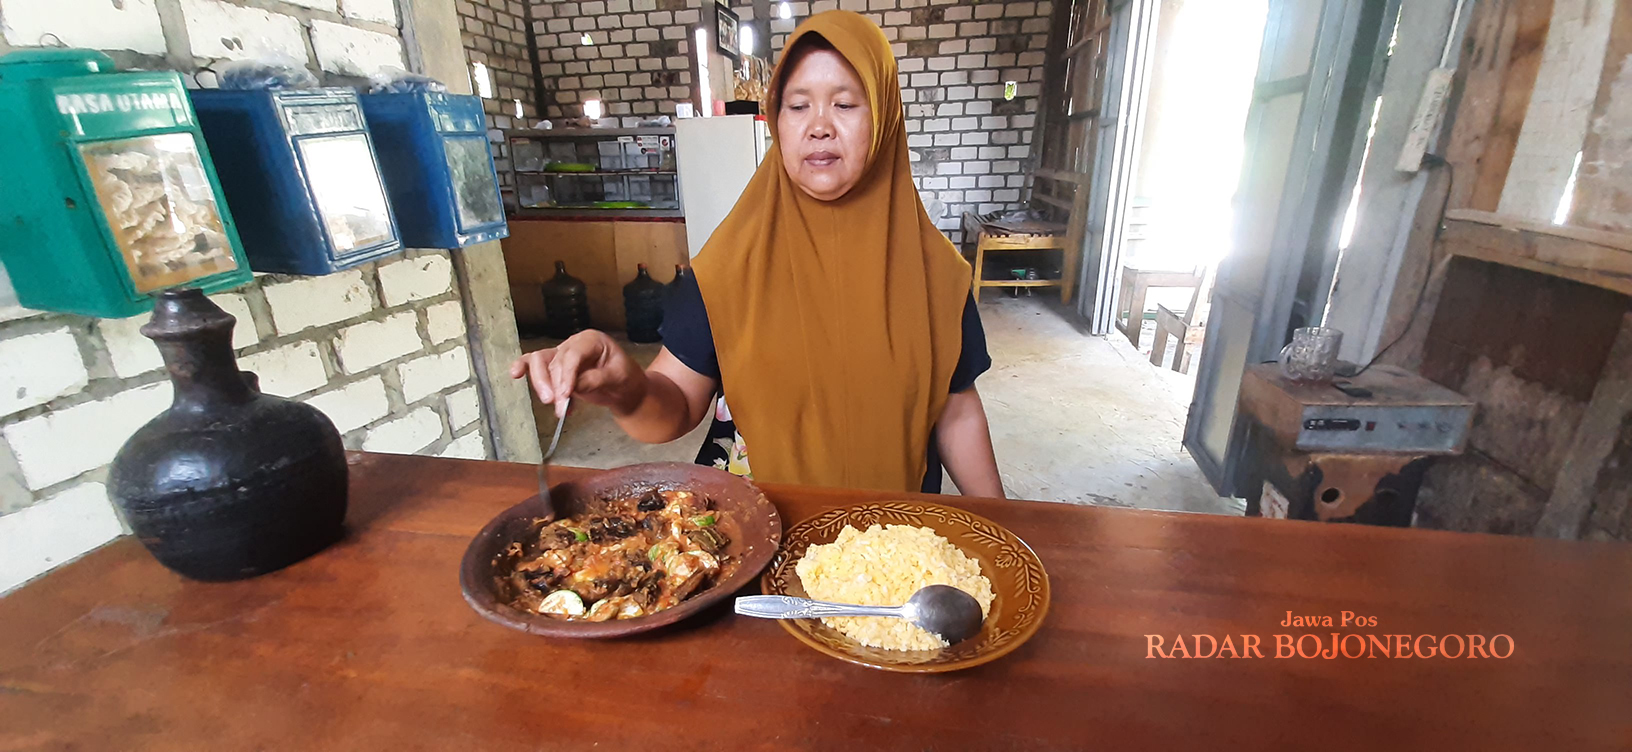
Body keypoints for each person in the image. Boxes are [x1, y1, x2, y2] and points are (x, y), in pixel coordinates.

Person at [510, 10, 1003, 497]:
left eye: (846, 105)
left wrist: (1011, 531)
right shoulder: (731, 266)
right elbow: (677, 404)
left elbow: (955, 411)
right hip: (764, 535)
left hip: (894, 545)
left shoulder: (935, 275)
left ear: (886, 117)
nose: (819, 126)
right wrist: (626, 388)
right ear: (777, 122)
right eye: (797, 105)